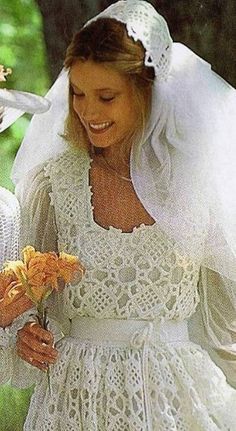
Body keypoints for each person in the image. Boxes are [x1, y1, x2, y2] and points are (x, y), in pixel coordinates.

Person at [1, 1, 236, 429]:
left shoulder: (195, 180)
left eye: (106, 96)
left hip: (174, 397)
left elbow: (227, 313)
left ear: (148, 92)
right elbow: (28, 302)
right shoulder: (54, 183)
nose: (88, 112)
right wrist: (25, 335)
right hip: (76, 398)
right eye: (78, 94)